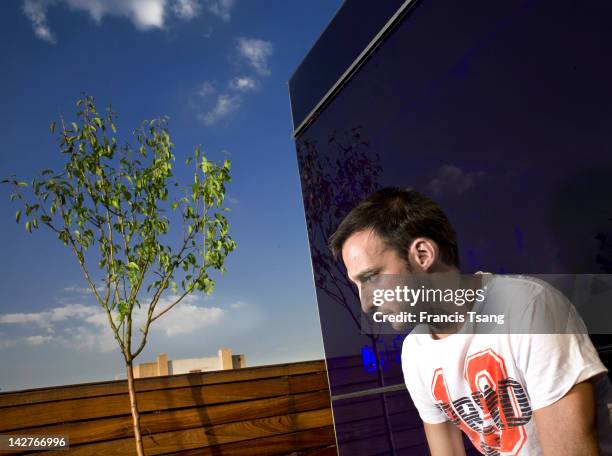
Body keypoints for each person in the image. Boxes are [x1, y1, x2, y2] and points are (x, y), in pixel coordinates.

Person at [329, 187, 612, 455]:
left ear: (423, 255)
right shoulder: (415, 351)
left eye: (370, 278)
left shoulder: (527, 308)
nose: (365, 303)